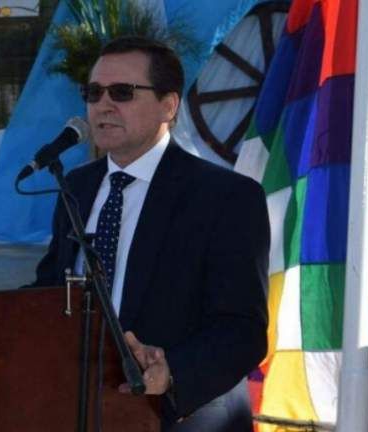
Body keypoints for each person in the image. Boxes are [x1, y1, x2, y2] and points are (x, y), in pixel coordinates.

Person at [30, 36, 269, 431]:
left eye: (122, 92)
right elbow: (48, 291)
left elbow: (242, 330)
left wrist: (171, 372)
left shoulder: (226, 197)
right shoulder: (77, 186)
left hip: (183, 415)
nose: (104, 104)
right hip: (84, 406)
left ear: (168, 106)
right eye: (94, 92)